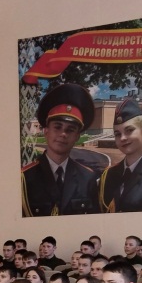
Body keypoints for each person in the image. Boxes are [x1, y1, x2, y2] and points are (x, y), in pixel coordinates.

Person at [21, 83, 100, 217]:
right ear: (46, 131)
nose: (63, 134)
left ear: (77, 137)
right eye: (57, 127)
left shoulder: (88, 178)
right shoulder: (25, 178)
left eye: (70, 130)